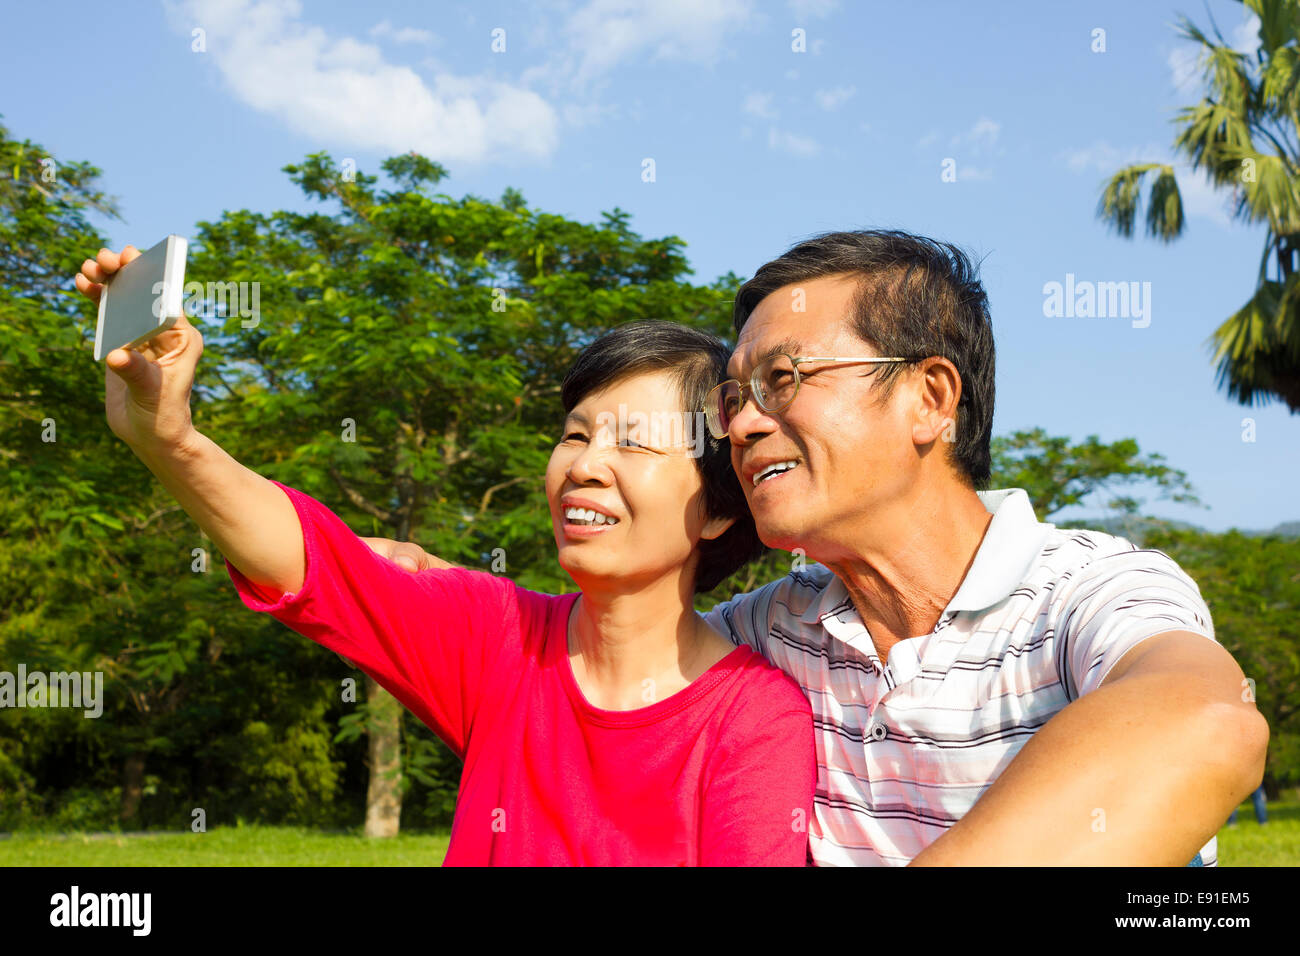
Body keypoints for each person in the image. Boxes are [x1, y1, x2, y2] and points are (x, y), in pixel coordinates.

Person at [374, 229, 1270, 866]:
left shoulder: (1087, 590)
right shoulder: (767, 640)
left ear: (930, 398)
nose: (746, 425)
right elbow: (589, 652)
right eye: (735, 399)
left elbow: (1204, 722)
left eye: (785, 381)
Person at [76, 246, 815, 866]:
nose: (584, 465)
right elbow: (313, 563)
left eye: (631, 441)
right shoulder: (497, 638)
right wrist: (167, 436)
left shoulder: (756, 722)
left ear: (718, 508)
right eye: (575, 433)